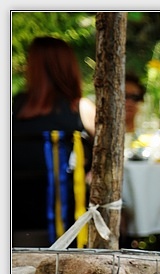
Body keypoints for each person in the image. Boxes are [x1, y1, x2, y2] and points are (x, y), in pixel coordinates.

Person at [13, 36, 96, 234]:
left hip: (15, 218)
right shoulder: (81, 109)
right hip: (70, 221)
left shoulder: (12, 108)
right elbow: (110, 157)